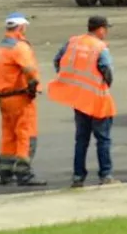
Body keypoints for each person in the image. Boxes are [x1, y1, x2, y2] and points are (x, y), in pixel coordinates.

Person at [48, 15, 117, 188]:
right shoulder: (100, 47)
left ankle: (78, 177)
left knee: (81, 140)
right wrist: (104, 85)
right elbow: (107, 70)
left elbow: (58, 60)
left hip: (79, 98)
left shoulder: (73, 42)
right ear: (100, 29)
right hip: (97, 99)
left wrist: (69, 80)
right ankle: (105, 175)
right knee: (103, 139)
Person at [0, 12, 45, 187]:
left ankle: (5, 172)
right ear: (20, 28)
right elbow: (30, 70)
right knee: (25, 135)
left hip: (3, 98)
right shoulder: (20, 48)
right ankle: (24, 173)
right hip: (20, 97)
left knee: (8, 135)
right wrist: (34, 87)